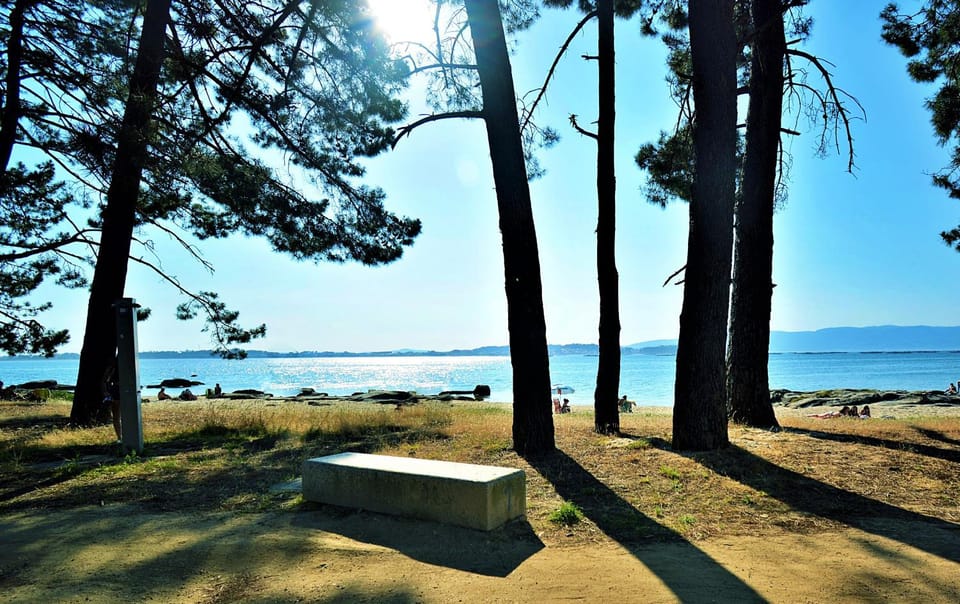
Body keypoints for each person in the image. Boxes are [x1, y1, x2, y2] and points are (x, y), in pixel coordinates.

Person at [102, 362, 121, 441]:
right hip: (117, 392)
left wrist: (106, 392)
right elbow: (105, 380)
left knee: (116, 417)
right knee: (117, 417)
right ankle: (120, 437)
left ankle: (120, 437)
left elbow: (105, 380)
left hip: (116, 391)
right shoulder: (114, 366)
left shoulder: (112, 366)